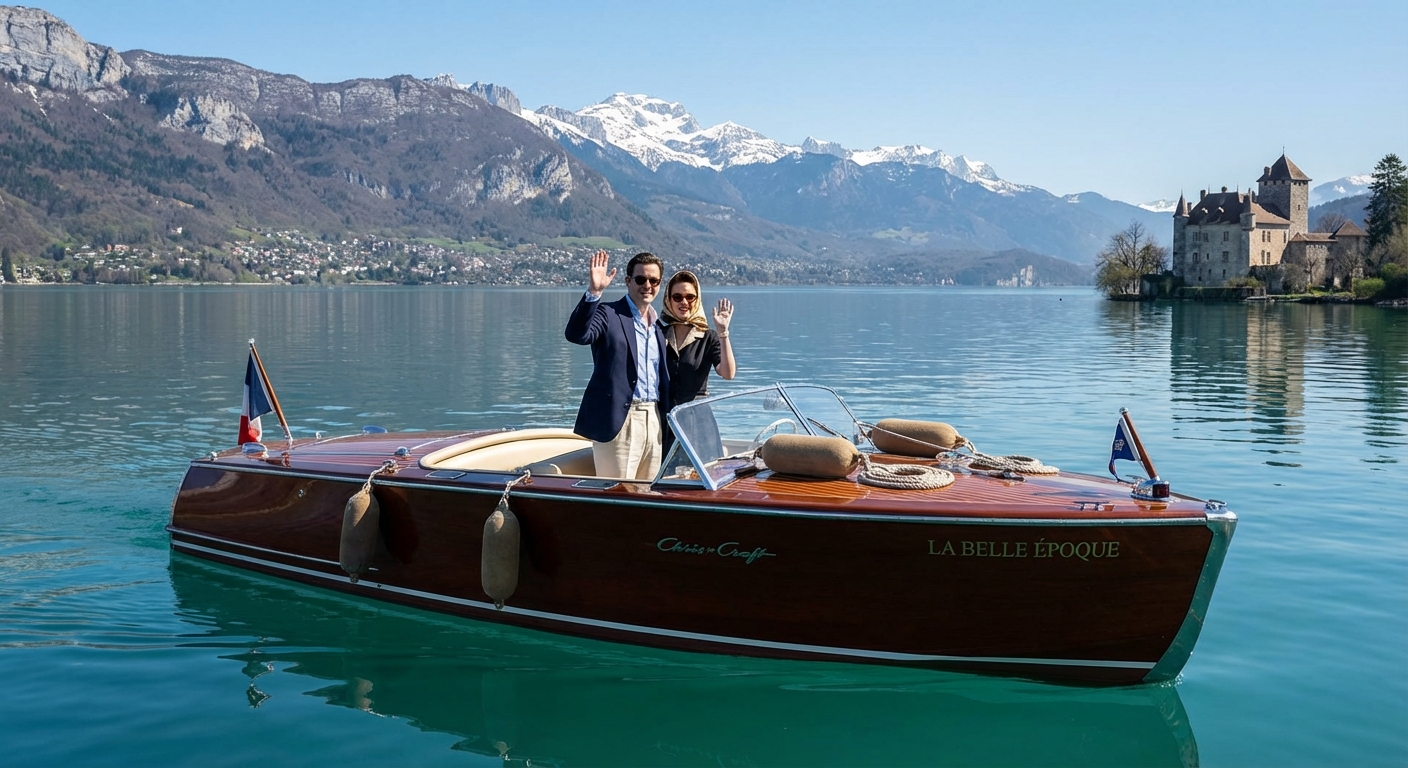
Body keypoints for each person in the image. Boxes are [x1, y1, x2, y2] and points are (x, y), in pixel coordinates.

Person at [564, 250, 671, 480]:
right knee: (617, 493)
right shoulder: (608, 313)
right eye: (641, 279)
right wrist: (594, 292)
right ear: (628, 281)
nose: (647, 285)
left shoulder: (659, 328)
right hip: (619, 421)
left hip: (654, 420)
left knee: (647, 496)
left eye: (654, 281)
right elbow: (576, 334)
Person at [659, 270, 736, 456]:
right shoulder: (657, 334)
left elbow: (728, 373)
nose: (684, 302)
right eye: (677, 297)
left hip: (697, 418)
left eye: (690, 297)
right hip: (663, 418)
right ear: (668, 300)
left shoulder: (708, 337)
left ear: (697, 299)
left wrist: (723, 332)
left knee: (698, 477)